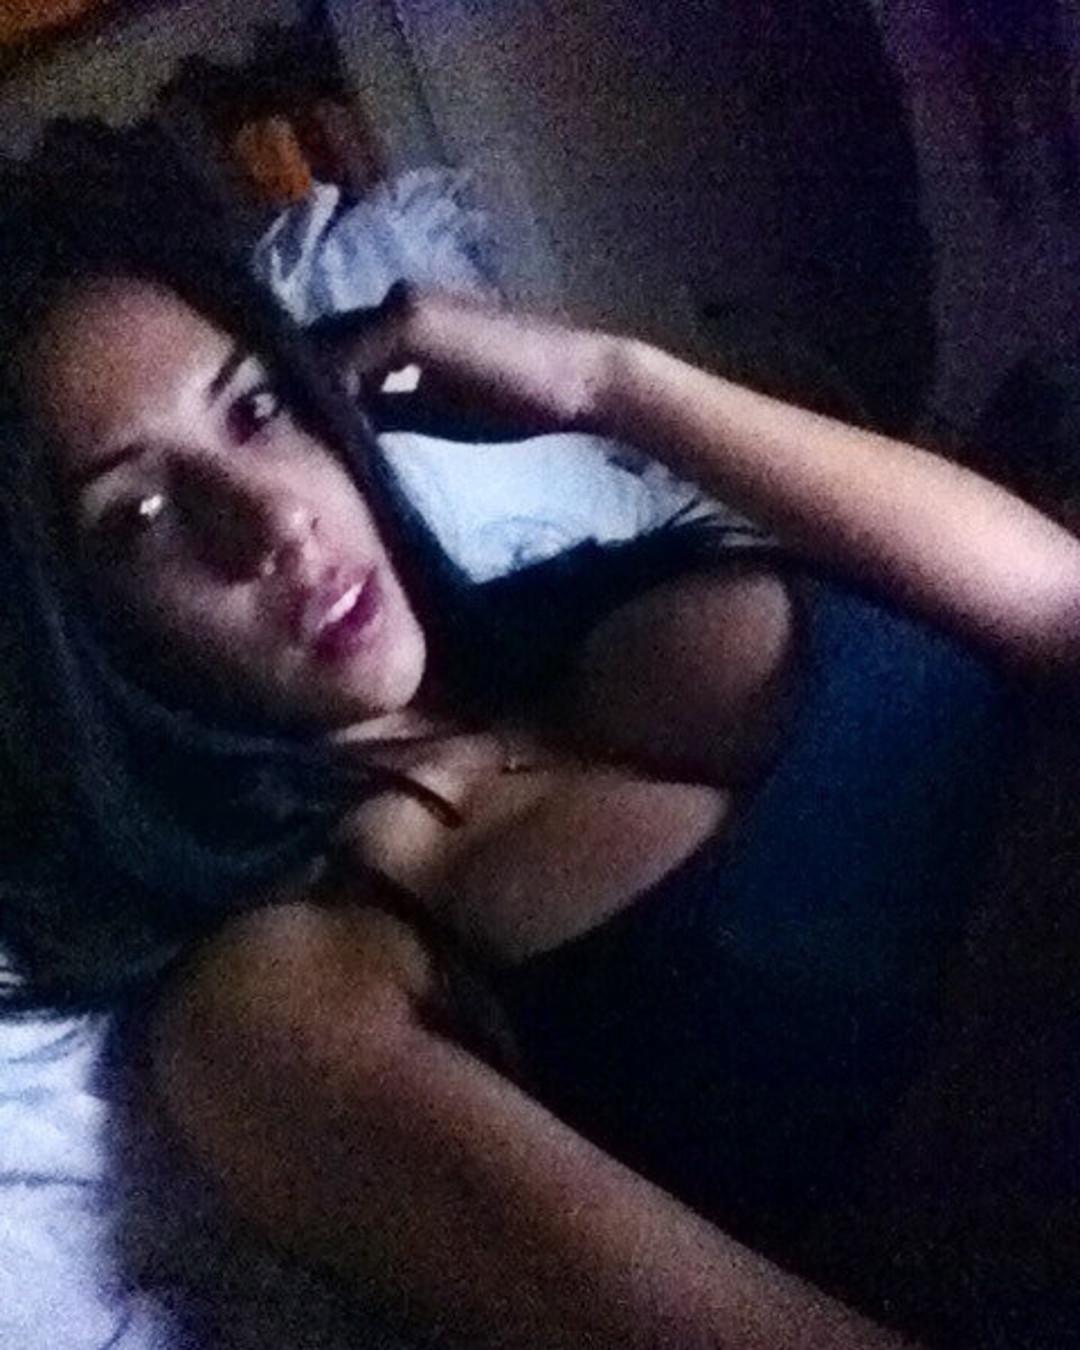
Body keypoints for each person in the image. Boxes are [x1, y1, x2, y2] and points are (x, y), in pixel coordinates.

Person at [1, 140, 1078, 1349]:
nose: (273, 524)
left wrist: (608, 381)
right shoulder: (279, 999)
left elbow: (1060, 602)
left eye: (256, 410)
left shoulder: (579, 618)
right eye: (141, 515)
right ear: (66, 643)